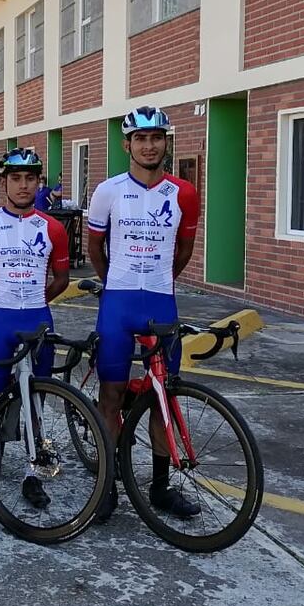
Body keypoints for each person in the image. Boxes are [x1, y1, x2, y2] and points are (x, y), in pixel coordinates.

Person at [86, 105, 200, 521]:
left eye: (156, 138)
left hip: (160, 301)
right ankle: (106, 485)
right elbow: (95, 248)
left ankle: (160, 487)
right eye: (141, 139)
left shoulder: (183, 192)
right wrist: (116, 281)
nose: (149, 146)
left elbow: (183, 251)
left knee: (162, 398)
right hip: (118, 304)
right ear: (127, 144)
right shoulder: (108, 191)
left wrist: (159, 279)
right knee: (111, 396)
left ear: (165, 142)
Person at [0, 147, 70, 509]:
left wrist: (39, 299)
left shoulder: (53, 227)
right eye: (15, 178)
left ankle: (32, 473)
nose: (23, 185)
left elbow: (62, 278)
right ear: (3, 182)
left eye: (30, 178)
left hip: (37, 318)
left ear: (38, 182)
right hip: (0, 319)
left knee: (35, 398)